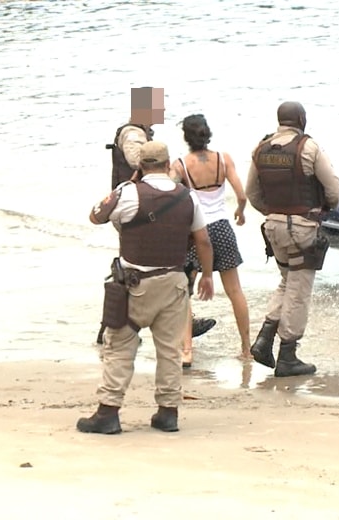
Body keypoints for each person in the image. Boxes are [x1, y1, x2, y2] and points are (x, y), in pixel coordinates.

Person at [78, 141, 215, 434]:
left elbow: (95, 216)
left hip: (134, 285)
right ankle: (168, 413)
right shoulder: (187, 198)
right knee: (169, 349)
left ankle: (109, 412)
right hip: (174, 283)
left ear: (140, 167)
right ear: (168, 166)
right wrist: (206, 276)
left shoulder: (128, 193)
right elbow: (202, 240)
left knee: (120, 347)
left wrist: (128, 185)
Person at [244, 101, 339, 377]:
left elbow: (252, 193)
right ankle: (288, 354)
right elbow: (333, 190)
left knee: (287, 281)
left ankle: (264, 339)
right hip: (302, 228)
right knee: (298, 290)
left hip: (273, 226)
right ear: (301, 119)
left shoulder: (261, 149)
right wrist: (323, 210)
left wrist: (272, 212)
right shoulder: (308, 148)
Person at [100, 116, 216, 344]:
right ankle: (178, 322)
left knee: (135, 263)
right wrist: (160, 166)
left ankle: (116, 325)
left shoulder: (138, 132)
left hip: (137, 205)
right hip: (139, 206)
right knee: (160, 262)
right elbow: (138, 161)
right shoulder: (134, 134)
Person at [170, 114, 250, 367]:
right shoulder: (223, 160)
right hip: (223, 229)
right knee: (235, 291)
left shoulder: (181, 165)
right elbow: (242, 194)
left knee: (184, 295)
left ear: (186, 137)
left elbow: (170, 195)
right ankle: (246, 349)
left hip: (196, 233)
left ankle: (187, 351)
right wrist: (240, 211)